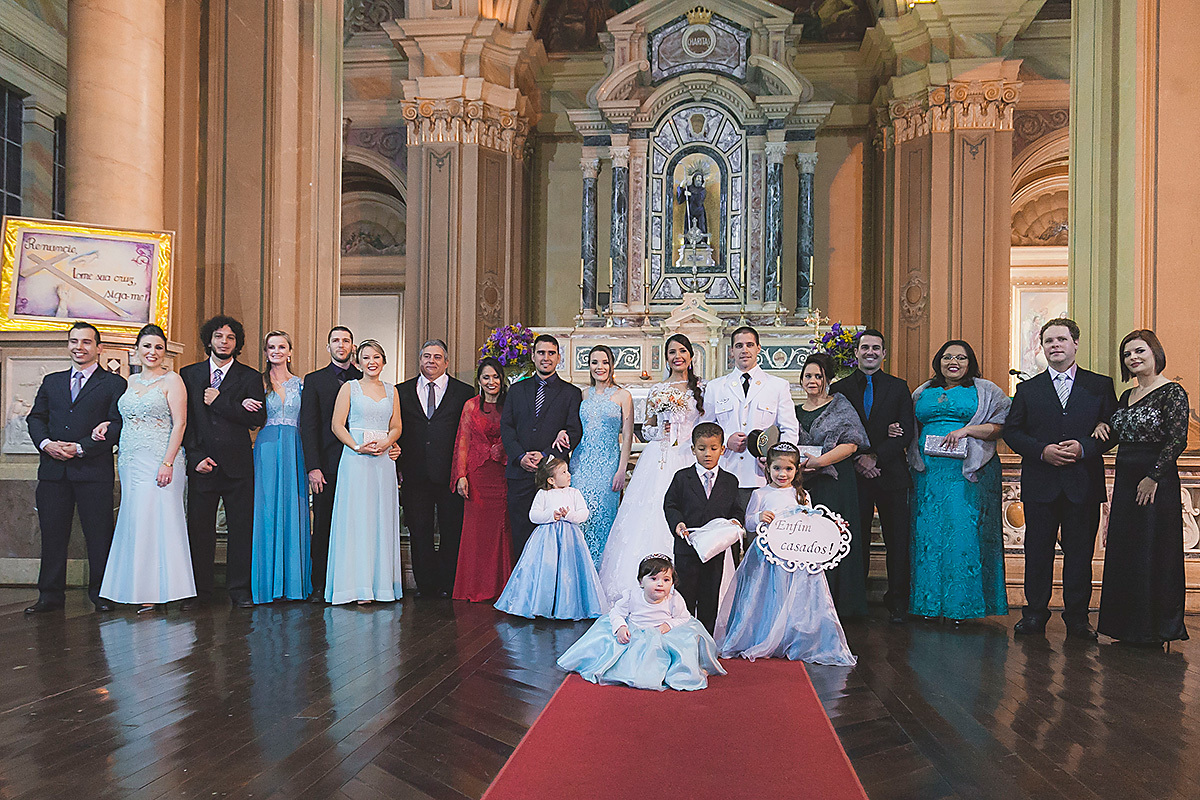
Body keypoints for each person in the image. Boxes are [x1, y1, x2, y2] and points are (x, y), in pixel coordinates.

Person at [1004, 318, 1118, 640]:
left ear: (1075, 344)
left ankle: (1078, 620)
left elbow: (1113, 427)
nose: (1055, 346)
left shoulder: (1099, 385)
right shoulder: (1027, 389)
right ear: (1042, 347)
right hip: (1041, 484)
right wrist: (1042, 451)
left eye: (1061, 340)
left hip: (1083, 483)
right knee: (1037, 553)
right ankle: (1034, 615)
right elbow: (1013, 431)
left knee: (1080, 556)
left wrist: (1086, 446)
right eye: (1049, 341)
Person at [715, 443, 856, 665]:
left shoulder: (802, 495)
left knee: (796, 596)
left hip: (797, 558)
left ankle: (794, 638)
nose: (782, 474)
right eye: (777, 468)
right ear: (767, 468)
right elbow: (748, 523)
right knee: (769, 596)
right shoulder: (761, 493)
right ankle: (766, 636)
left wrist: (832, 529)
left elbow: (812, 523)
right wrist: (760, 516)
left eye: (788, 469)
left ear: (796, 470)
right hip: (767, 558)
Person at [25, 322, 126, 613]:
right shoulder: (52, 381)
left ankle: (101, 595)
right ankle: (50, 596)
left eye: (86, 342)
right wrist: (46, 444)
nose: (79, 347)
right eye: (73, 341)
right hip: (53, 470)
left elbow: (117, 424)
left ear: (99, 348)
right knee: (53, 534)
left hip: (92, 470)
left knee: (99, 534)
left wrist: (82, 446)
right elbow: (35, 418)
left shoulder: (113, 383)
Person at [1097, 330, 1190, 647]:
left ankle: (1154, 629)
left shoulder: (1172, 393)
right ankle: (1127, 627)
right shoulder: (1125, 397)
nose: (1133, 358)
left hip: (1156, 480)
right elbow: (1114, 437)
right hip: (1125, 478)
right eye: (1127, 354)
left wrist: (1153, 476)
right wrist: (1100, 426)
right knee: (1126, 549)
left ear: (1155, 353)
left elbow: (1178, 439)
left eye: (1139, 351)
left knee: (1154, 549)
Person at [907, 340, 1010, 622]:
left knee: (962, 534)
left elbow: (1001, 426)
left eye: (961, 358)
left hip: (967, 474)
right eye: (947, 357)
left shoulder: (985, 389)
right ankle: (927, 606)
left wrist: (967, 430)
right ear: (938, 360)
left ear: (970, 362)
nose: (953, 362)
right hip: (927, 473)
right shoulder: (922, 392)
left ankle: (960, 608)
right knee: (927, 535)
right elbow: (910, 426)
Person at [96, 324, 194, 610]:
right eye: (147, 346)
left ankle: (162, 591)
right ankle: (134, 588)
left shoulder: (172, 380)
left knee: (160, 521)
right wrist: (107, 424)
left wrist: (167, 462)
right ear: (137, 349)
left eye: (158, 347)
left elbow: (181, 423)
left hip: (161, 461)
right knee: (135, 521)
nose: (152, 352)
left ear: (165, 353)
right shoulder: (128, 381)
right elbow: (123, 417)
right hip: (130, 461)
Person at [599, 334, 704, 600]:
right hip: (660, 456)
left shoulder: (702, 388)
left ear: (691, 355)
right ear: (666, 357)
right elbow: (646, 427)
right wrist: (661, 428)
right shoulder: (658, 389)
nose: (677, 356)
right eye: (671, 352)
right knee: (650, 511)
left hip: (690, 455)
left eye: (682, 351)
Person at [181, 315, 268, 609]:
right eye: (219, 336)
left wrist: (220, 401)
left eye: (230, 338)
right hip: (202, 463)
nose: (224, 342)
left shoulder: (250, 377)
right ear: (209, 340)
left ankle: (240, 590)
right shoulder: (189, 374)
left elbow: (257, 419)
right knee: (199, 530)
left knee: (241, 530)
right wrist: (194, 457)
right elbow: (186, 421)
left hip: (238, 466)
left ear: (237, 343)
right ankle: (199, 592)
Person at [831, 329, 915, 624]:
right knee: (855, 540)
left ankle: (898, 602)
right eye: (865, 347)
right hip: (854, 475)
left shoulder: (898, 387)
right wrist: (858, 458)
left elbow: (906, 430)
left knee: (898, 540)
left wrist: (875, 455)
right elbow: (836, 431)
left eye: (876, 348)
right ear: (855, 353)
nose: (870, 352)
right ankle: (856, 601)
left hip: (890, 472)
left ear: (884, 353)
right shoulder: (839, 388)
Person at [557, 554, 726, 691]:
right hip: (636, 631)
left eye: (666, 580)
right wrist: (621, 627)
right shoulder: (631, 595)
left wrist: (669, 625)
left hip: (663, 632)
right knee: (617, 646)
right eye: (653, 579)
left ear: (672, 583)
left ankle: (686, 670)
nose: (660, 584)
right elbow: (616, 613)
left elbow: (684, 617)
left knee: (686, 643)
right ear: (641, 582)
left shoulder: (674, 598)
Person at [325, 340, 404, 605]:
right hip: (356, 460)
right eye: (366, 357)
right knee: (356, 519)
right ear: (358, 362)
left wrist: (387, 442)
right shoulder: (349, 388)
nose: (372, 362)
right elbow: (337, 425)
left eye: (377, 357)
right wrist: (357, 446)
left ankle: (380, 586)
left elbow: (396, 426)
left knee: (380, 517)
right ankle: (355, 587)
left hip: (383, 461)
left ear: (384, 361)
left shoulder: (393, 391)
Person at [397, 339, 474, 598]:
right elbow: (397, 430)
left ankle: (448, 583)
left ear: (447, 362)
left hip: (449, 474)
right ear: (420, 360)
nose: (431, 361)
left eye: (437, 357)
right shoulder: (402, 391)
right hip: (414, 473)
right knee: (420, 532)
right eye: (427, 356)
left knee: (452, 530)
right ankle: (426, 586)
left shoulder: (464, 392)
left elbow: (468, 435)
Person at [794, 353, 869, 618]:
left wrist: (819, 462)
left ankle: (840, 604)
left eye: (818, 376)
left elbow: (851, 444)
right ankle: (809, 604)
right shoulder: (795, 412)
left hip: (835, 481)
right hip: (806, 485)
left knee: (833, 539)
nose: (812, 381)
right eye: (807, 376)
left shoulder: (840, 406)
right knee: (808, 542)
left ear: (828, 379)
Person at [494, 456, 608, 620]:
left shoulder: (574, 493)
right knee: (547, 570)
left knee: (569, 571)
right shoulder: (543, 494)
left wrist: (570, 515)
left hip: (570, 540)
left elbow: (584, 513)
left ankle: (568, 606)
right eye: (563, 472)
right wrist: (550, 515)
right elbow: (533, 515)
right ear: (551, 480)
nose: (568, 474)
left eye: (567, 471)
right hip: (547, 540)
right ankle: (543, 604)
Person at [500, 334, 583, 556]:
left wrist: (547, 457)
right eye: (541, 353)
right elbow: (506, 427)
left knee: (553, 537)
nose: (546, 358)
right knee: (521, 534)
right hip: (520, 473)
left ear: (558, 357)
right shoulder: (517, 390)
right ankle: (525, 586)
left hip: (553, 478)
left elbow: (574, 431)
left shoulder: (571, 393)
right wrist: (520, 457)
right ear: (533, 356)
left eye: (551, 353)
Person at [702, 326, 800, 510]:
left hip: (763, 476)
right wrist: (725, 443)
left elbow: (789, 429)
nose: (744, 350)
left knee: (761, 531)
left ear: (758, 348)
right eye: (739, 346)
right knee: (726, 533)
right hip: (725, 472)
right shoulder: (716, 387)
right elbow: (705, 430)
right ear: (731, 351)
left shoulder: (777, 386)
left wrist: (776, 460)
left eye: (749, 345)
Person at [663, 421, 747, 633]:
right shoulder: (682, 477)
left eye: (713, 448)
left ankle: (706, 638)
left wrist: (736, 521)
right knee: (685, 597)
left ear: (722, 449)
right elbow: (670, 505)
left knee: (710, 597)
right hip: (687, 549)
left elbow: (736, 509)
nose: (707, 454)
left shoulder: (730, 481)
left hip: (714, 551)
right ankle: (683, 637)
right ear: (693, 450)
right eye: (701, 449)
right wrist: (678, 523)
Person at [300, 326, 362, 603]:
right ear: (328, 347)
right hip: (326, 465)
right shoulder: (314, 380)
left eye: (346, 340)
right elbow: (309, 426)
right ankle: (319, 585)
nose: (341, 345)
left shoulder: (364, 378)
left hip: (360, 463)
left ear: (353, 346)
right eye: (335, 340)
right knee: (323, 524)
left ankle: (353, 583)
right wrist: (313, 466)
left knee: (355, 525)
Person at [249, 331, 310, 604]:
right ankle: (267, 584)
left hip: (295, 446)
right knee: (267, 510)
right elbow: (249, 415)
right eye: (271, 347)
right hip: (267, 446)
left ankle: (293, 584)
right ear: (265, 352)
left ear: (290, 351)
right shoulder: (257, 382)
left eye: (281, 346)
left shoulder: (301, 385)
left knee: (294, 508)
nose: (276, 351)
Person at [451, 358, 513, 602]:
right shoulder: (470, 406)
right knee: (476, 533)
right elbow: (462, 442)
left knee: (501, 531)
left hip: (502, 475)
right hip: (477, 475)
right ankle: (474, 587)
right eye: (486, 377)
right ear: (479, 381)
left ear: (502, 379)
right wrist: (461, 476)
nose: (491, 382)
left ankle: (501, 588)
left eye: (495, 377)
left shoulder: (510, 406)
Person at [570, 345, 634, 569]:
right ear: (589, 366)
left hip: (608, 465)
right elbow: (573, 427)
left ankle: (601, 573)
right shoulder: (582, 394)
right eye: (595, 362)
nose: (600, 367)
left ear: (612, 365)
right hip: (581, 464)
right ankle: (580, 572)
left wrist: (621, 469)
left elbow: (627, 436)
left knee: (603, 519)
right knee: (581, 518)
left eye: (605, 362)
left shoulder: (623, 396)